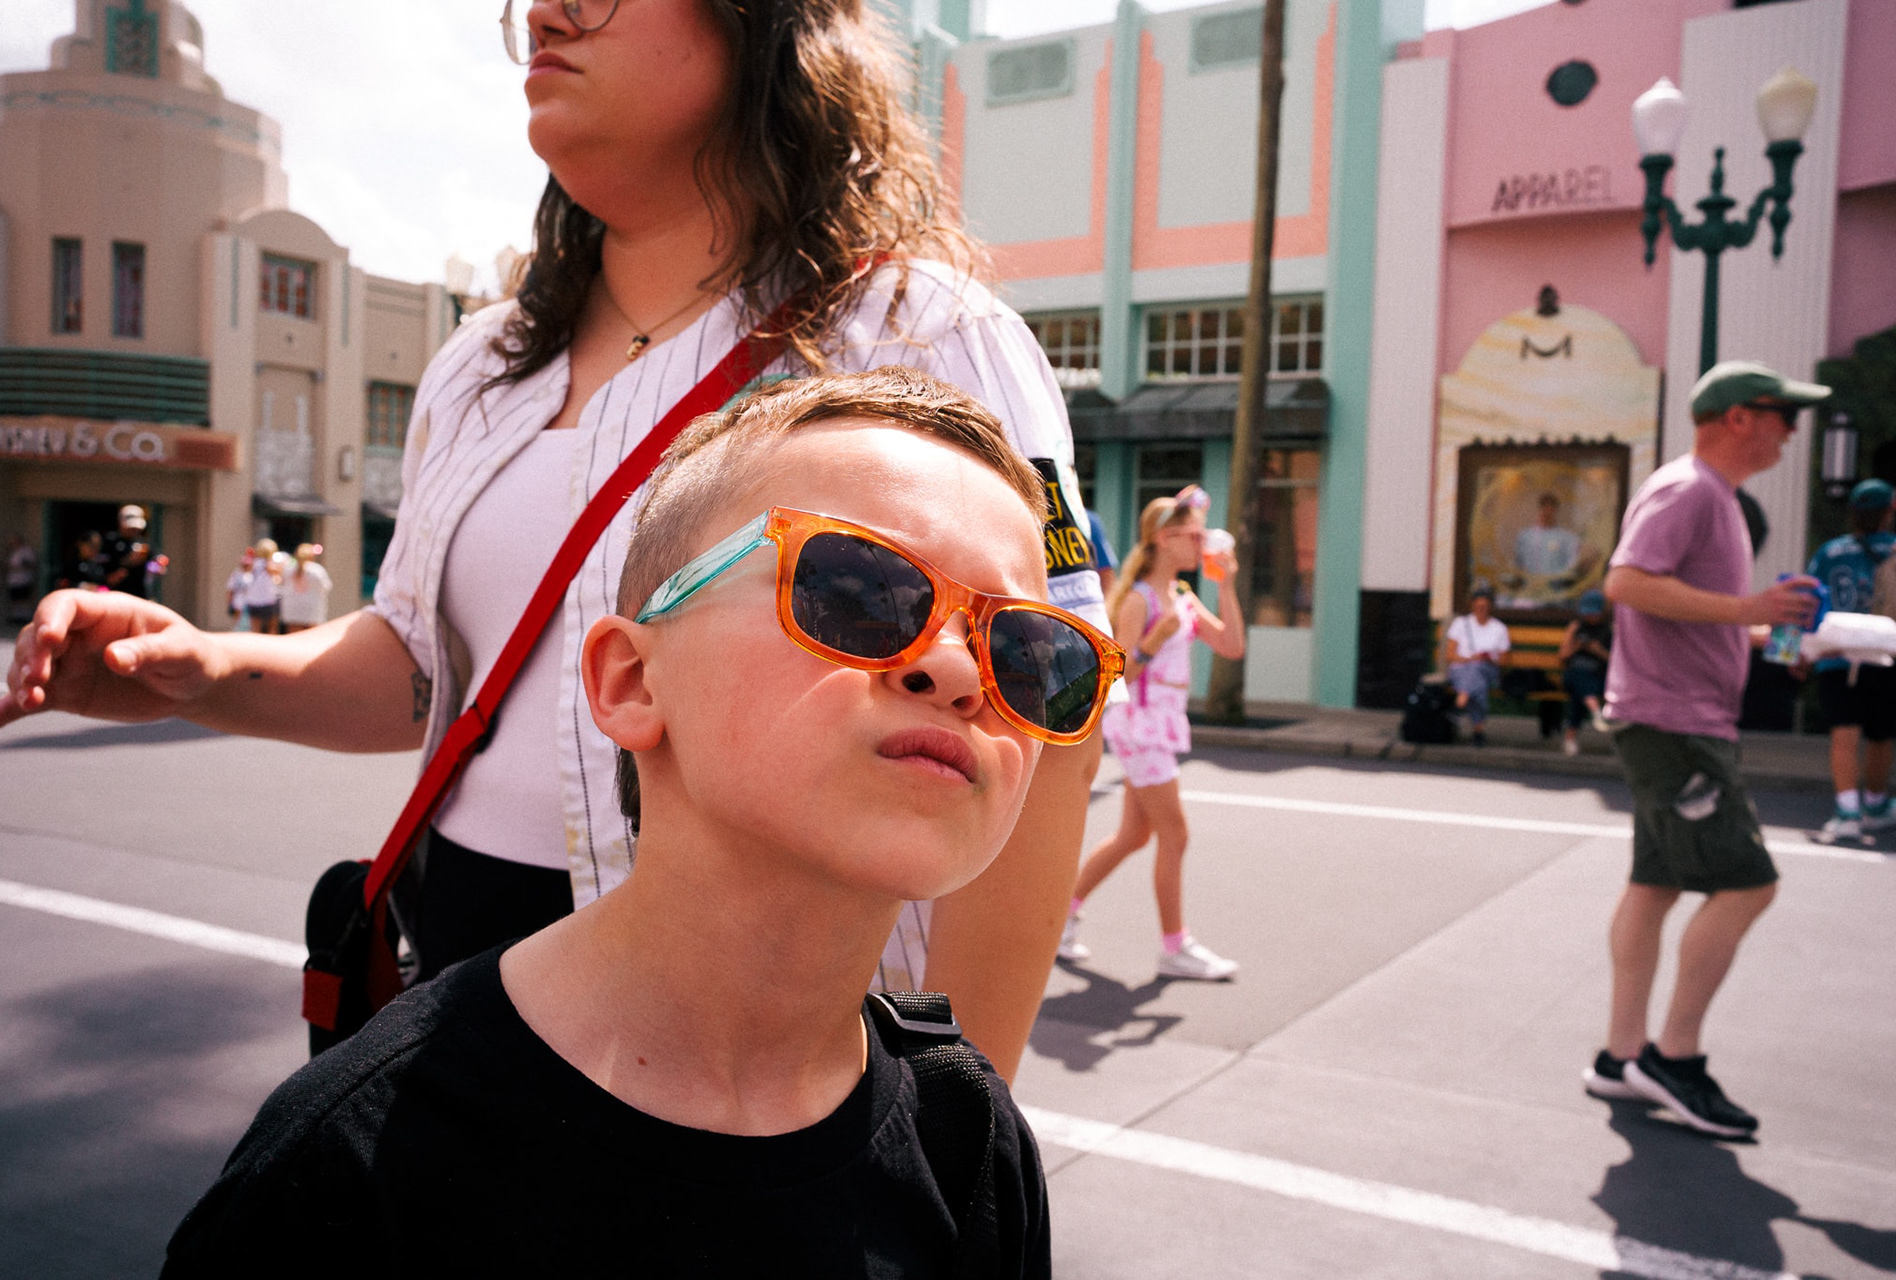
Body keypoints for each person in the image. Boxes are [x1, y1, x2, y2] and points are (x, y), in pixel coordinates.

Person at [1, 0, 1106, 1080]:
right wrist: (205, 668)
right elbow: (425, 668)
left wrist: (961, 1123)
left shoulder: (921, 331)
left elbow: (1041, 706)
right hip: (455, 987)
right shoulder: (478, 366)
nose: (544, 17)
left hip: (758, 1044)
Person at [162, 370, 1109, 1275]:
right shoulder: (350, 1168)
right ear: (631, 681)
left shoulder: (968, 1140)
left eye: (1029, 654)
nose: (961, 672)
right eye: (860, 594)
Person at [1581, 360, 1828, 1138]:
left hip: (1673, 718)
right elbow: (1626, 583)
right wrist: (1750, 606)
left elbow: (1689, 610)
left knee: (1654, 885)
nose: (1792, 430)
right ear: (1737, 418)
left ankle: (1622, 1056)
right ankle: (1674, 1059)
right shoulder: (1689, 490)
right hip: (1675, 722)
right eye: (1783, 414)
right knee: (1749, 886)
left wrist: (1767, 632)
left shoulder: (1714, 498)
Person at [1057, 486, 1246, 981]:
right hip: (1139, 727)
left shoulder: (1182, 597)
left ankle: (1061, 920)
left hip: (1162, 725)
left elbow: (1231, 645)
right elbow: (1118, 676)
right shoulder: (1140, 600)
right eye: (1194, 536)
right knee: (1175, 835)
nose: (1202, 544)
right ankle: (1175, 946)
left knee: (1133, 836)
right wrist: (1152, 643)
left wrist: (1226, 585)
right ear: (1165, 538)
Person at [1804, 478, 1896, 841]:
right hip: (1888, 654)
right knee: (1881, 734)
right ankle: (1876, 805)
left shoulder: (1830, 552)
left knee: (1843, 732)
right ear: (1889, 513)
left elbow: (1808, 601)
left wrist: (1797, 652)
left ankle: (1847, 811)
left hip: (1837, 654)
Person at [1445, 586, 1509, 746]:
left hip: (1488, 670)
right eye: (1478, 606)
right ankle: (1478, 730)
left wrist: (1488, 659)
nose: (1481, 610)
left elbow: (1503, 661)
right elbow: (1450, 655)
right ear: (1472, 606)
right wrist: (1469, 658)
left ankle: (1461, 702)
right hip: (1461, 669)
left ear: (1491, 607)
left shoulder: (1499, 628)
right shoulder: (1461, 623)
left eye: (1485, 607)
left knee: (1477, 669)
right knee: (1476, 679)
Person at [1557, 588, 1611, 756]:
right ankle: (1596, 711)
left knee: (1579, 692)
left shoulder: (1609, 630)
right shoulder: (1576, 627)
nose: (1589, 617)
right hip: (1574, 674)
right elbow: (1562, 656)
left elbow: (1616, 662)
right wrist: (1576, 646)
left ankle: (1571, 737)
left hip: (1597, 676)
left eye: (1593, 613)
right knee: (1578, 676)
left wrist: (1598, 651)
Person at [100, 505, 153, 599]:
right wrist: (127, 561)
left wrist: (155, 566)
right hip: (115, 594)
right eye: (131, 528)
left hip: (139, 594)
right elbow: (101, 570)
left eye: (136, 528)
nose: (134, 531)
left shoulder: (143, 543)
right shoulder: (110, 541)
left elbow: (152, 563)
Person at [278, 543, 333, 634]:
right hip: (312, 610)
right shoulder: (317, 570)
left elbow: (281, 583)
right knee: (312, 636)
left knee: (294, 637)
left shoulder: (288, 569)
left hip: (292, 609)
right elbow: (326, 587)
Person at [238, 539, 284, 634]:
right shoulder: (272, 563)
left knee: (256, 630)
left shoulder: (252, 563)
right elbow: (279, 577)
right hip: (269, 600)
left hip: (254, 600)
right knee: (272, 629)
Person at [5, 535, 36, 624]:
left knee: (24, 598)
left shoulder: (26, 551)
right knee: (15, 599)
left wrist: (20, 567)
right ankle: (16, 617)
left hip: (24, 579)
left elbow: (32, 564)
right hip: (13, 580)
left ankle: (25, 617)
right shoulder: (12, 552)